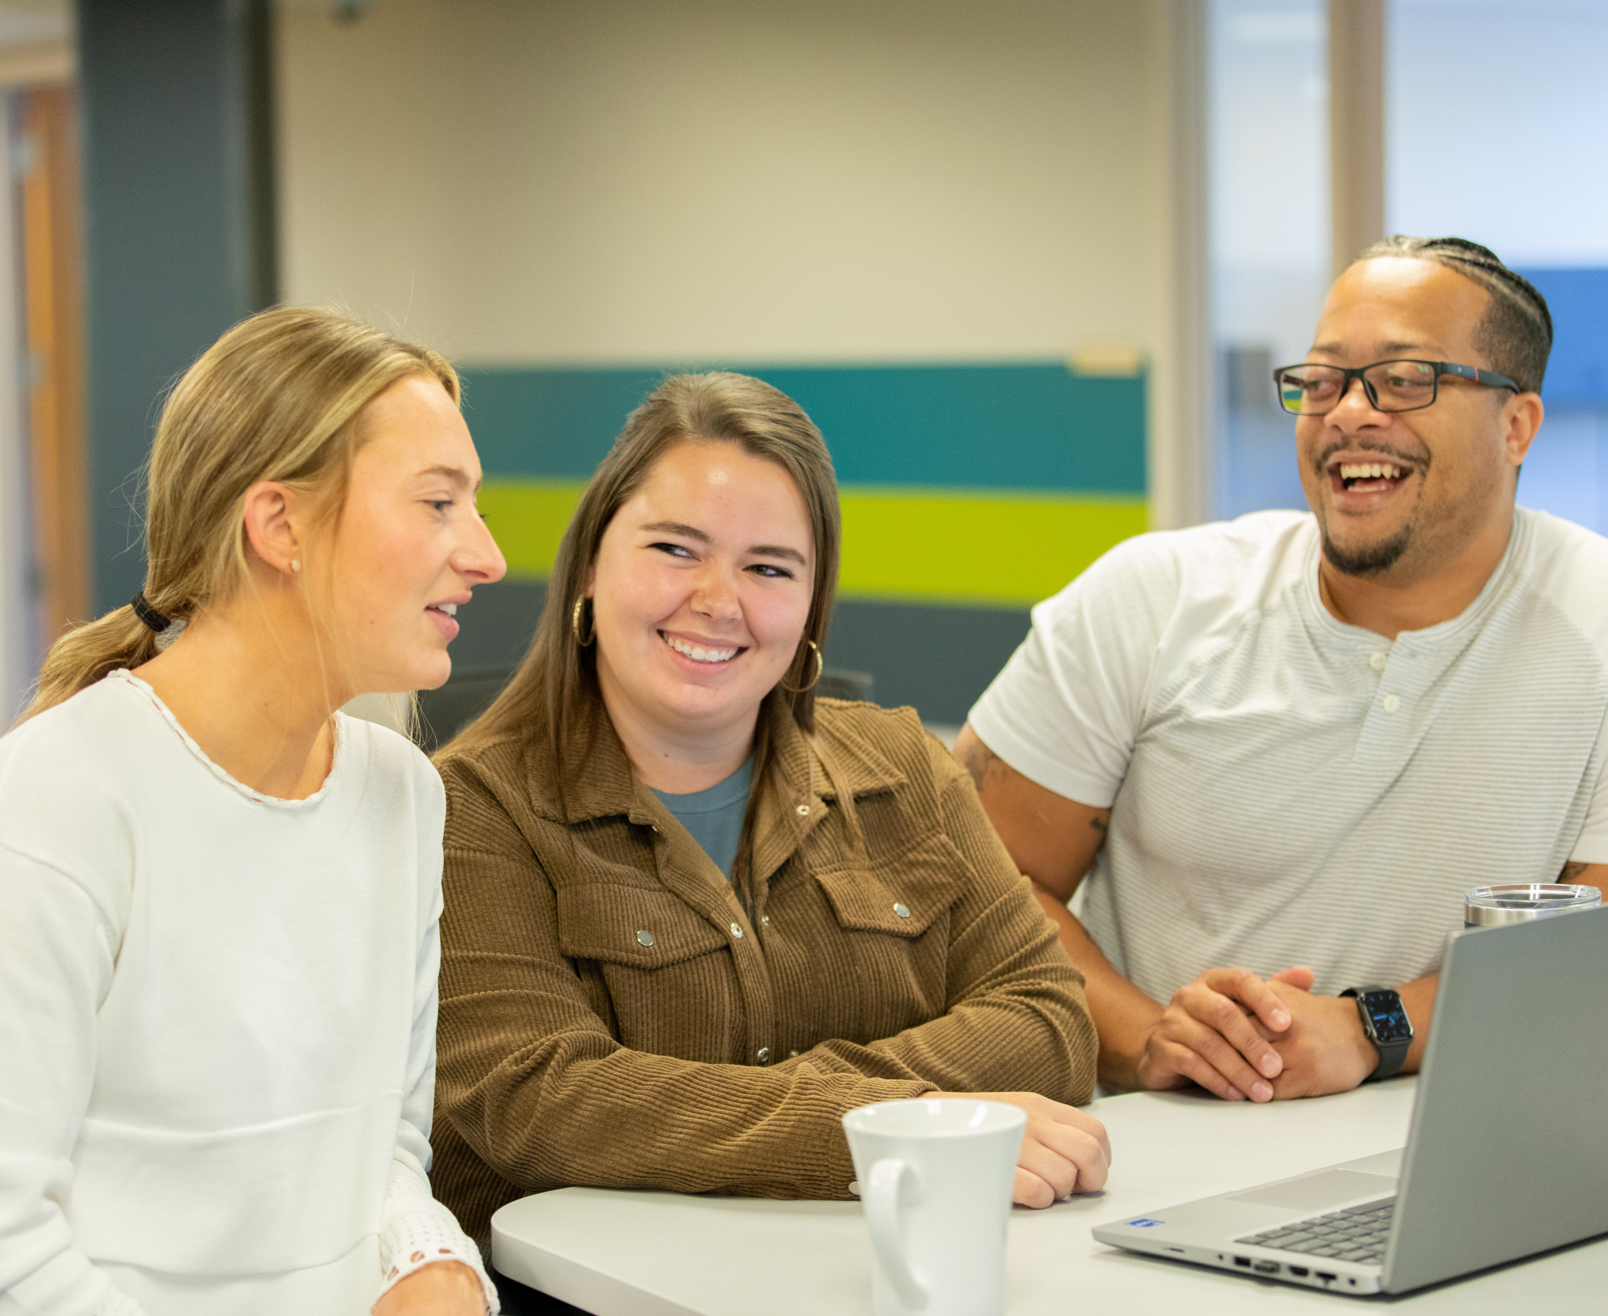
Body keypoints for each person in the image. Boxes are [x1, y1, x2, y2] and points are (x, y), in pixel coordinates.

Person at [955, 237, 1608, 1107]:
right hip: (1154, 1152)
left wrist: (1368, 1030)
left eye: (1405, 379)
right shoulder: (1154, 596)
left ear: (1518, 425)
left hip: (1474, 1138)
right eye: (1321, 382)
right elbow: (976, 885)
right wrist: (1155, 1044)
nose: (1350, 413)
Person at [0, 308, 506, 1316]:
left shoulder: (400, 792)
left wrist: (428, 1263)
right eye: (437, 504)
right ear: (279, 525)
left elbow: (376, 1149)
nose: (486, 554)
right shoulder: (56, 803)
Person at [427, 372, 1107, 1253]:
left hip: (881, 1270)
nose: (718, 599)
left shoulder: (905, 767)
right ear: (591, 564)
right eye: (675, 549)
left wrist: (763, 1111)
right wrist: (895, 1121)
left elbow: (1051, 1019)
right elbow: (542, 1098)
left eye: (768, 567)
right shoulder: (472, 808)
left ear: (811, 607)